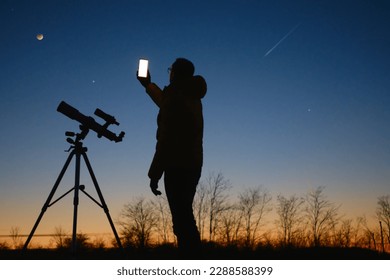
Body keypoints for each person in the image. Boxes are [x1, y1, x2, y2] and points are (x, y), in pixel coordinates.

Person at [137, 58, 207, 257]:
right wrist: (148, 85)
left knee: (182, 221)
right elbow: (164, 101)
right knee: (185, 216)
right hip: (193, 163)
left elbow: (166, 140)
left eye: (170, 70)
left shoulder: (176, 98)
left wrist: (154, 174)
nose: (169, 73)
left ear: (174, 73)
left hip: (177, 165)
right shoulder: (190, 94)